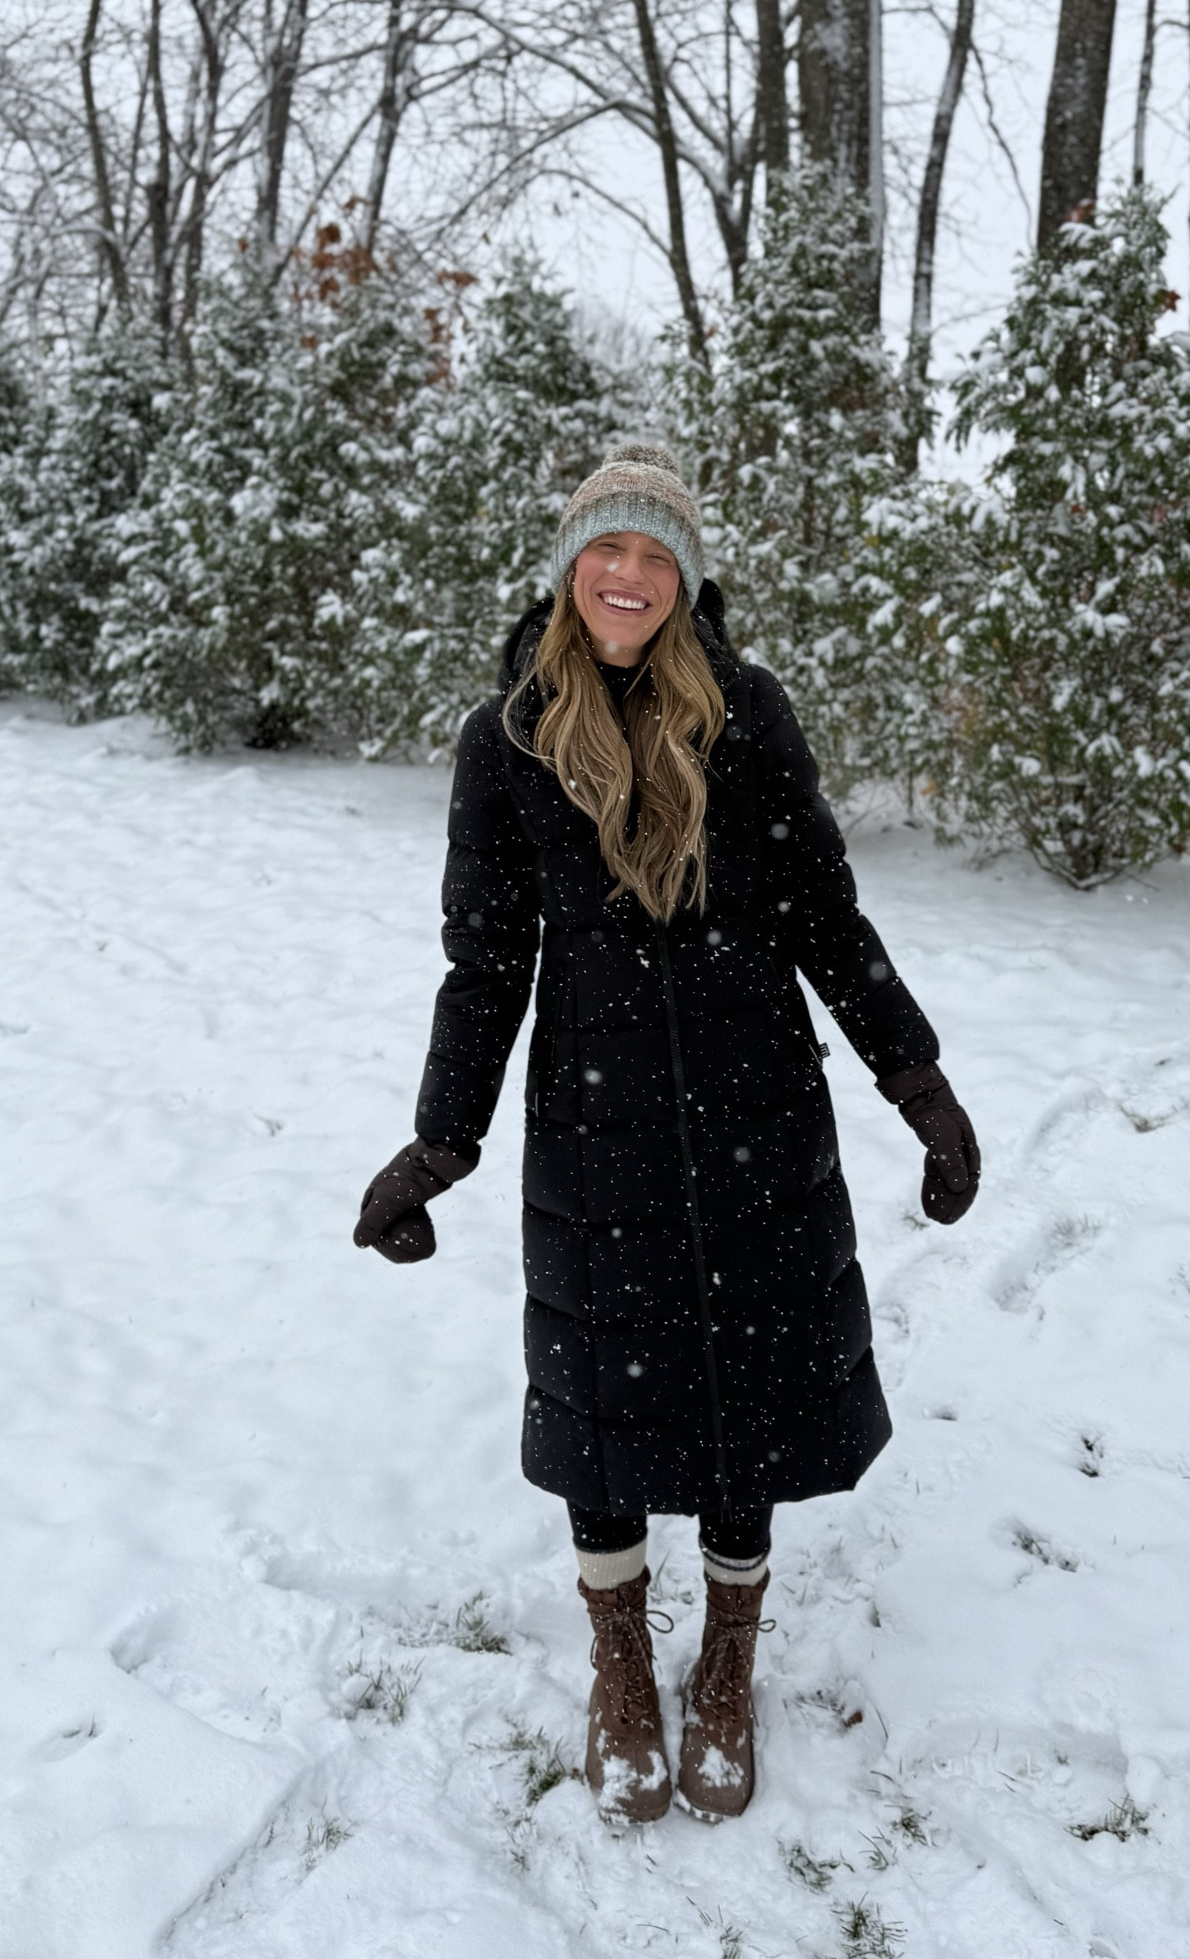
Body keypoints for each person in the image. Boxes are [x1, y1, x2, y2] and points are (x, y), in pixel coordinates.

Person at [353, 444, 979, 1826]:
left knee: (748, 1402)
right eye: (604, 551)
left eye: (652, 556)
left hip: (760, 1108)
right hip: (598, 1125)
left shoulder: (747, 716)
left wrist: (916, 1086)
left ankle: (729, 1654)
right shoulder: (506, 741)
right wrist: (439, 1143)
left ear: (684, 582)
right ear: (570, 572)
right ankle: (623, 1656)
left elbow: (824, 913)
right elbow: (483, 965)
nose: (625, 577)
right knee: (604, 1409)